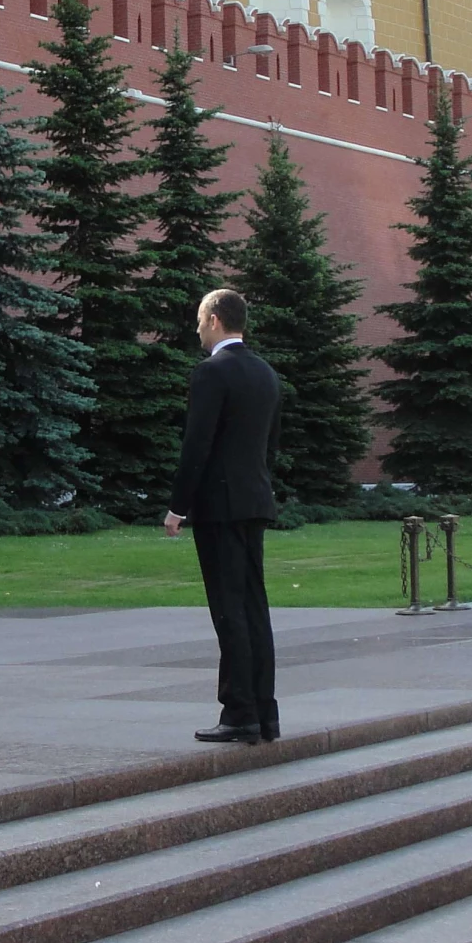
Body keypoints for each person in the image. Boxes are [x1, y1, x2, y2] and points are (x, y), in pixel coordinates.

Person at [164, 288, 282, 746]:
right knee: (254, 607)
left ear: (214, 319)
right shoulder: (266, 373)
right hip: (254, 501)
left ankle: (239, 714)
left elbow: (197, 446)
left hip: (219, 507)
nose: (196, 328)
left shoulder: (211, 373)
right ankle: (263, 713)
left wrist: (178, 507)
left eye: (199, 320)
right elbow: (270, 446)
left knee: (228, 609)